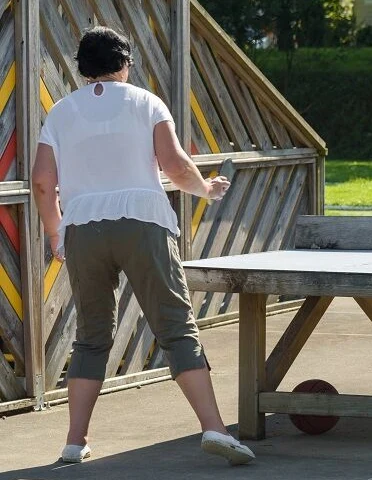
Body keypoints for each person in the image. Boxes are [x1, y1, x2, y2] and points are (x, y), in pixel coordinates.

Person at [31, 26, 255, 465]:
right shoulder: (146, 102)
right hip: (144, 223)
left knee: (91, 337)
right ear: (125, 63)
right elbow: (173, 164)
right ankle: (214, 428)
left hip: (84, 231)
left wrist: (57, 232)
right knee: (175, 327)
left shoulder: (59, 112)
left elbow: (42, 182)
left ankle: (75, 442)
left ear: (82, 68)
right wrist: (207, 190)